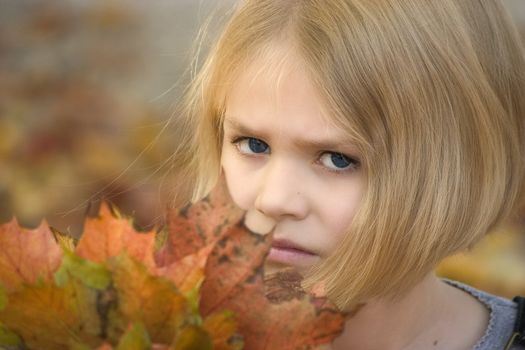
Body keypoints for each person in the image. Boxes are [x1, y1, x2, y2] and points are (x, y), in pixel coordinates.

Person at [170, 0, 525, 349]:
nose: (273, 200)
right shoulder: (147, 327)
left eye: (338, 160)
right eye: (253, 145)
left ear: (459, 175)